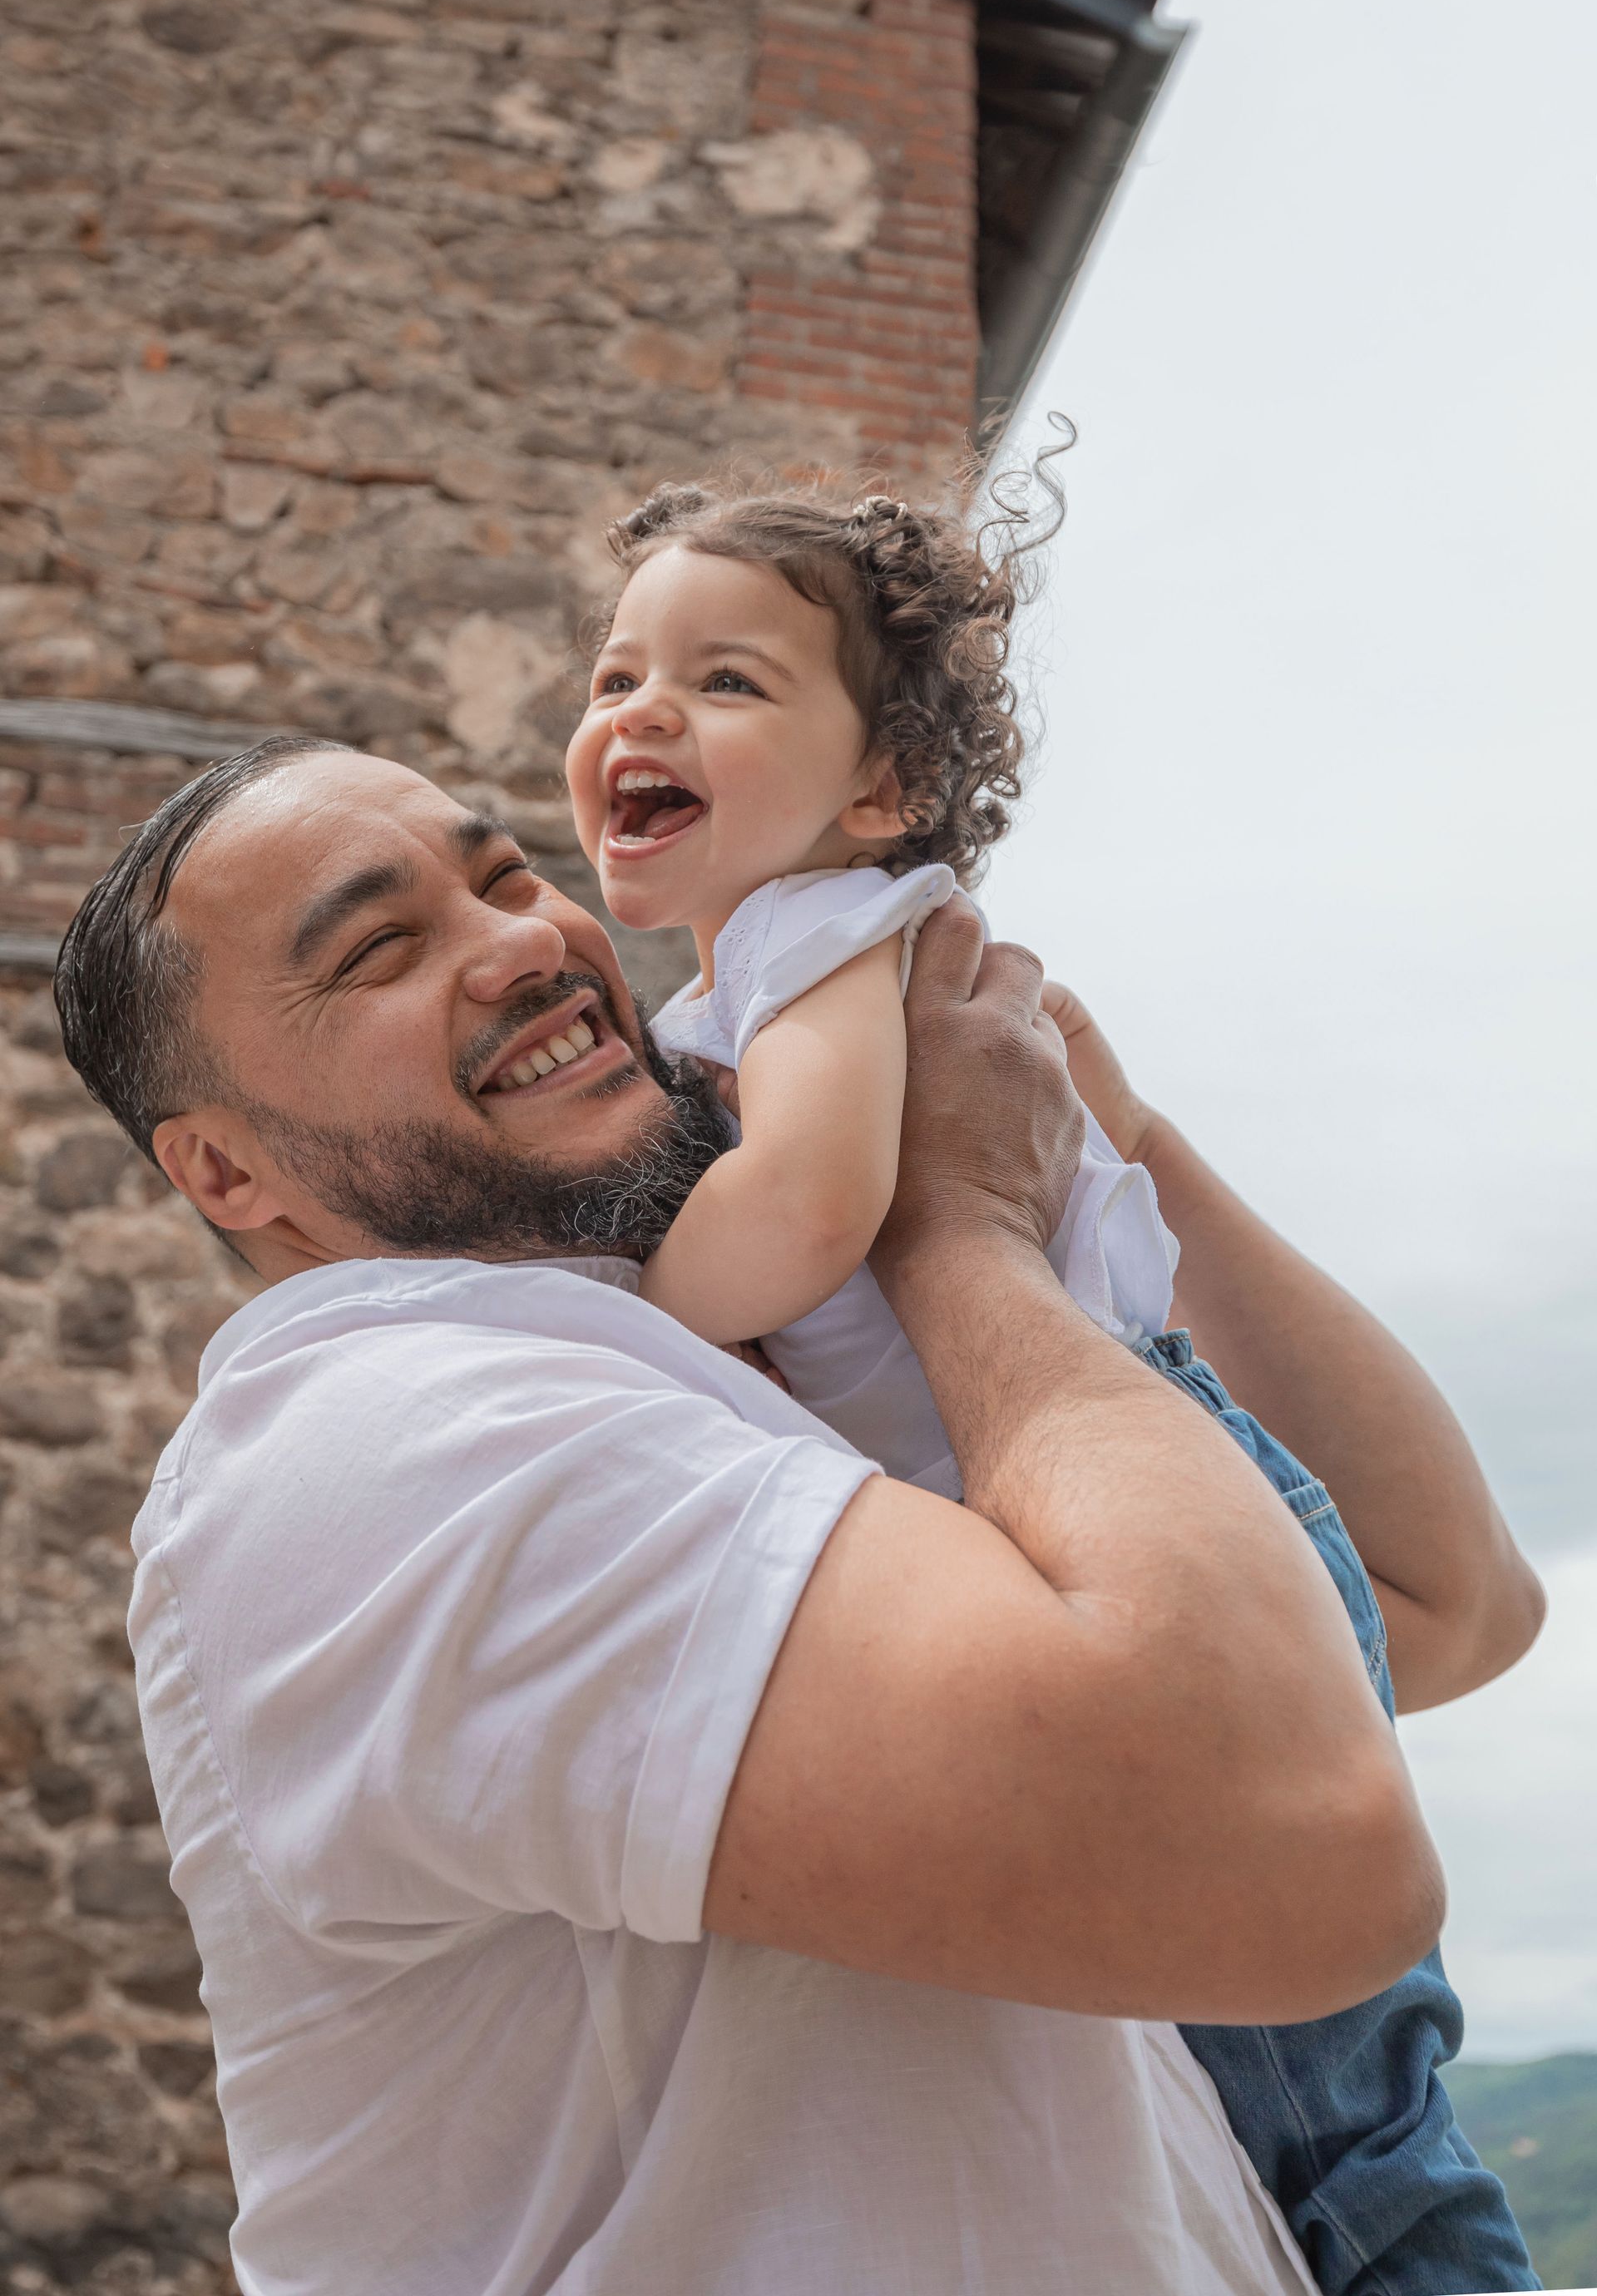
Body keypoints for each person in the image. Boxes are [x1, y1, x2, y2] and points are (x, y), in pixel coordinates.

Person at [52, 738, 1536, 2296]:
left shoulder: (720, 1385)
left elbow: (1438, 1596)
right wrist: (963, 1222)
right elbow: (1303, 1851)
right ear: (226, 1171)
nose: (524, 941)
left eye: (503, 876)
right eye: (380, 950)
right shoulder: (386, 1440)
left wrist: (1100, 1122)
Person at [562, 475, 1545, 2294]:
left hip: (1143, 1505)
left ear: (881, 792)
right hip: (1171, 1495)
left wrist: (625, 1303)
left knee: (1335, 2155)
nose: (639, 713)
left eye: (726, 682)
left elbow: (813, 1206)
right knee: (1358, 2133)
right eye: (618, 675)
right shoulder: (783, 973)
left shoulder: (814, 944)